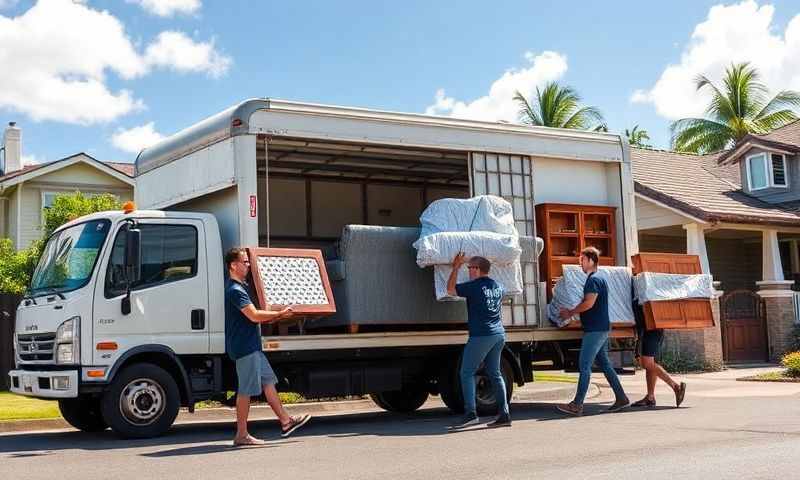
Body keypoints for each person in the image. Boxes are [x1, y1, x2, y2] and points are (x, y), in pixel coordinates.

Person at [225, 247, 311, 446]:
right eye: (244, 262)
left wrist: (278, 308)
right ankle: (242, 435)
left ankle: (286, 422)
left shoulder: (242, 287)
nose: (248, 265)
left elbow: (259, 309)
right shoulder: (235, 290)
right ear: (233, 265)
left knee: (268, 382)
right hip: (245, 348)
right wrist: (280, 315)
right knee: (245, 391)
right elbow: (254, 315)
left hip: (252, 347)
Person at [556, 247, 630, 416]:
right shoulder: (599, 278)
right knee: (604, 364)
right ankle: (621, 398)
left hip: (596, 329)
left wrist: (570, 312)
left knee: (584, 365)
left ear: (590, 260)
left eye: (582, 260)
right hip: (601, 327)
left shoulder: (593, 280)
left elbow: (589, 303)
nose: (580, 263)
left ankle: (577, 404)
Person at [446, 253, 511, 430]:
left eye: (470, 268)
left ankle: (471, 414)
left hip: (481, 335)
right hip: (498, 334)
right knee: (495, 373)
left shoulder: (474, 287)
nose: (468, 271)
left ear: (477, 270)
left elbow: (450, 290)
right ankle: (504, 414)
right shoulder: (498, 286)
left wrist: (456, 267)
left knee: (466, 372)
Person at [632, 300, 687, 408]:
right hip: (650, 329)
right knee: (650, 364)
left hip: (651, 330)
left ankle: (675, 387)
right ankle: (650, 397)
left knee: (647, 363)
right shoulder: (640, 294)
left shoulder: (642, 295)